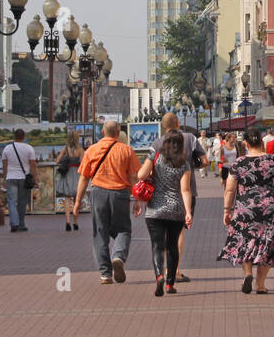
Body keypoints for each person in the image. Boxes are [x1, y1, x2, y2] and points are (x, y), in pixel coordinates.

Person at [218, 125, 274, 294]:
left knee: (245, 242)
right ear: (262, 142)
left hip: (245, 209)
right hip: (270, 208)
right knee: (268, 245)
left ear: (245, 143)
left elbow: (230, 189)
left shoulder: (239, 163)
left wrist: (226, 210)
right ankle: (260, 285)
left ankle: (247, 273)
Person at [73, 119, 141, 284]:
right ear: (118, 133)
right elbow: (134, 177)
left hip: (98, 193)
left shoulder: (91, 150)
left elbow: (84, 178)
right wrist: (137, 199)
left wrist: (77, 202)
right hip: (120, 194)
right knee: (123, 230)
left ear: (103, 132)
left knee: (100, 233)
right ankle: (118, 256)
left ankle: (105, 274)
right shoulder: (126, 150)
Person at [136, 130, 195, 296]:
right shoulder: (184, 163)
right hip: (176, 210)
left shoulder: (155, 157)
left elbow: (141, 175)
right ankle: (170, 283)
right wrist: (188, 212)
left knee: (157, 246)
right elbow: (185, 189)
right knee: (172, 246)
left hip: (155, 209)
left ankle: (159, 275)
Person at [151, 112, 203, 282]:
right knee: (178, 232)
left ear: (163, 126)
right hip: (185, 191)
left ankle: (162, 270)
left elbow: (149, 168)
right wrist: (190, 164)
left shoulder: (156, 143)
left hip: (160, 193)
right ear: (178, 123)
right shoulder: (190, 138)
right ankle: (175, 271)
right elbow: (204, 160)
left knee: (162, 233)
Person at [0, 129, 38, 233]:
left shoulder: (7, 148)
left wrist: (4, 177)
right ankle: (21, 224)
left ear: (14, 136)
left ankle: (14, 223)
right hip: (24, 178)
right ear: (24, 137)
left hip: (10, 177)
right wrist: (35, 179)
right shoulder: (29, 148)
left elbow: (4, 165)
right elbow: (33, 165)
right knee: (22, 202)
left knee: (12, 201)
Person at [55, 130, 82, 232]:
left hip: (67, 175)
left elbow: (57, 161)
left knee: (67, 199)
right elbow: (83, 163)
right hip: (77, 175)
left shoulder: (65, 148)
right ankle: (75, 222)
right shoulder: (80, 150)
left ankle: (67, 222)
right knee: (76, 200)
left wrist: (65, 159)